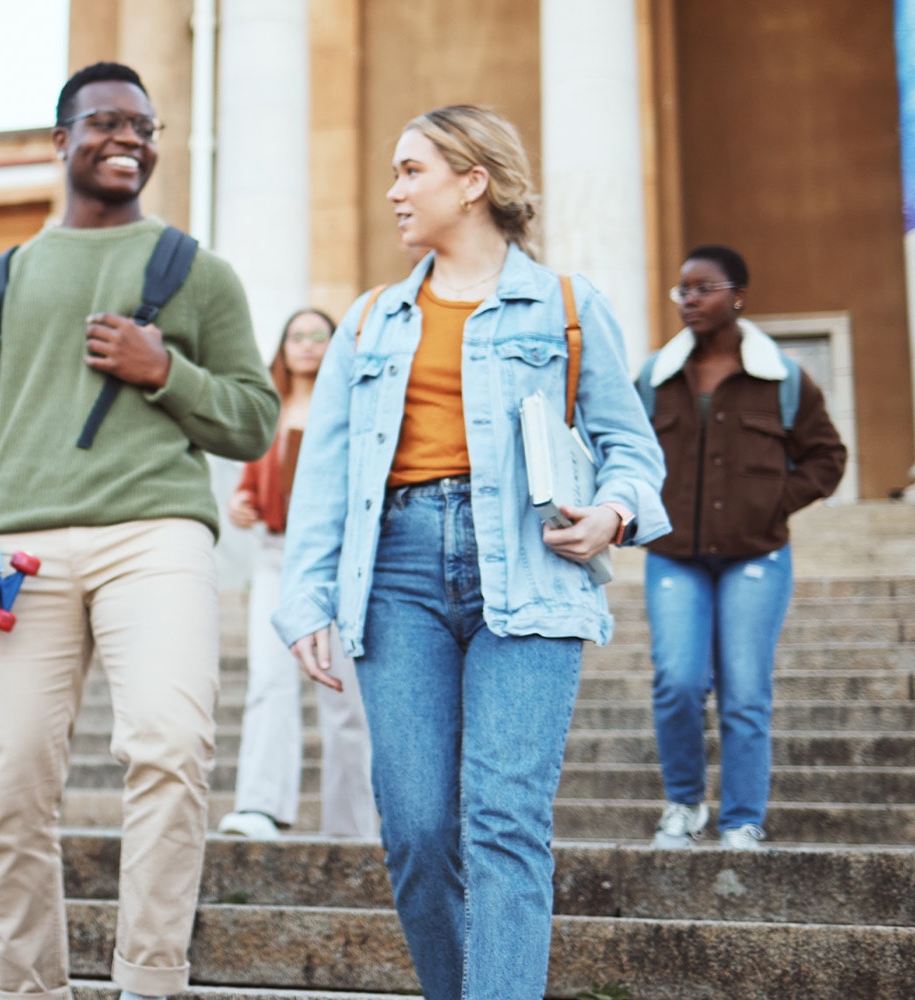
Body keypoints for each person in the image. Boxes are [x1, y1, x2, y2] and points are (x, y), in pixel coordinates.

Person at [273, 105, 668, 1000]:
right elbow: (325, 477)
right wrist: (305, 599)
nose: (394, 190)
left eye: (412, 171)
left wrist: (613, 512)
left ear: (473, 181)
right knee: (415, 829)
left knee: (504, 820)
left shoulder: (568, 304)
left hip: (529, 568)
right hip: (397, 573)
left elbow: (633, 450)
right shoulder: (371, 321)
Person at [0, 62, 278, 1000]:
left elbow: (252, 420)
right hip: (18, 553)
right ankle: (29, 990)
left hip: (155, 533)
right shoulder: (3, 279)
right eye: (107, 121)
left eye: (145, 126)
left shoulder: (196, 272)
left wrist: (167, 371)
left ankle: (151, 982)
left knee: (169, 744)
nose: (130, 138)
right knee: (11, 790)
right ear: (61, 139)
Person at [641, 244, 846, 851]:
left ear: (738, 295)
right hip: (675, 554)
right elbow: (621, 445)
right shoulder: (654, 376)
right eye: (683, 290)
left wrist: (775, 501)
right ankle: (684, 805)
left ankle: (740, 819)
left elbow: (827, 456)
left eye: (703, 287)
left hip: (756, 555)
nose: (690, 299)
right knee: (676, 680)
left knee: (745, 689)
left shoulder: (782, 377)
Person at [216, 307, 375, 842]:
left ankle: (353, 824)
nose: (306, 345)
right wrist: (241, 502)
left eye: (318, 336)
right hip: (275, 555)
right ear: (281, 348)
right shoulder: (269, 410)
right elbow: (250, 483)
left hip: (339, 561)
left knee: (345, 695)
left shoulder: (354, 406)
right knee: (268, 679)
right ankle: (261, 806)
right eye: (296, 336)